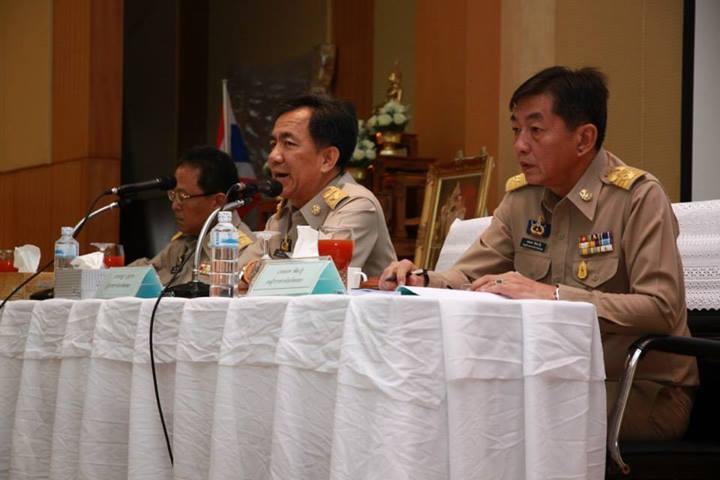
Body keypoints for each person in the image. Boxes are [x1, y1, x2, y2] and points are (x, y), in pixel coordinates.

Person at [380, 66, 698, 441]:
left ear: (584, 139)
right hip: (553, 378)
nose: (519, 145)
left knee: (497, 419)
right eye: (516, 130)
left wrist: (555, 297)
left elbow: (660, 308)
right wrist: (419, 279)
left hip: (639, 389)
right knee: (436, 401)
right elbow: (467, 275)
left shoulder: (638, 198)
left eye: (535, 130)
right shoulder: (523, 198)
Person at [238, 94, 396, 279]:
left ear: (327, 159)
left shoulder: (357, 205)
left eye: (289, 144)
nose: (273, 156)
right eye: (274, 144)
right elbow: (237, 271)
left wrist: (252, 274)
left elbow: (315, 278)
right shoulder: (283, 214)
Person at [130, 145, 253, 285]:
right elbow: (143, 274)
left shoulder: (242, 252)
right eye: (174, 195)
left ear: (218, 201)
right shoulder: (184, 243)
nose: (174, 206)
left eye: (183, 196)